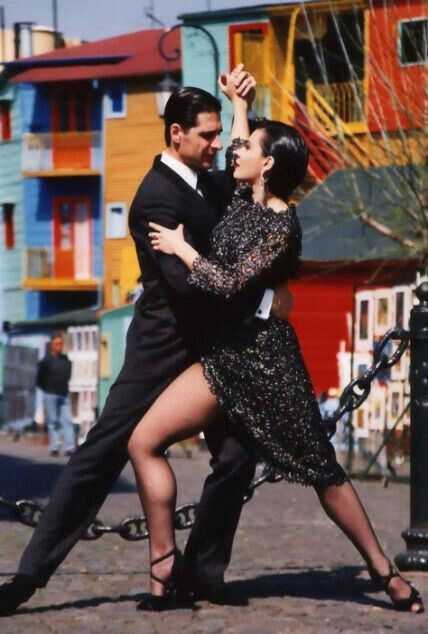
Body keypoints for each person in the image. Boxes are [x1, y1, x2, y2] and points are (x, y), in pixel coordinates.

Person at [126, 71, 424, 614]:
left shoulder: (282, 225)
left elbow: (223, 281)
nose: (232, 150)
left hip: (267, 364)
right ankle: (163, 573)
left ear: (267, 166)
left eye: (246, 148)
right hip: (222, 360)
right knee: (143, 440)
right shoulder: (244, 199)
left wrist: (182, 246)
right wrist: (242, 103)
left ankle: (386, 574)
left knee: (324, 473)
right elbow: (242, 144)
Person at [0, 68, 293, 616]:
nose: (215, 146)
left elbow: (235, 168)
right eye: (204, 136)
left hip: (213, 345)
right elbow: (187, 288)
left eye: (215, 136)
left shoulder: (204, 177)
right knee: (102, 451)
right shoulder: (156, 199)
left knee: (235, 456)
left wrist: (239, 108)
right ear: (175, 135)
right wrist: (258, 300)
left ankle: (201, 572)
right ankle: (27, 578)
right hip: (164, 343)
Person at [36, 332, 75, 457]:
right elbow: (39, 380)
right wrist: (47, 390)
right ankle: (54, 448)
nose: (59, 346)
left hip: (64, 395)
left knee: (68, 421)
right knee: (53, 422)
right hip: (50, 395)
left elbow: (68, 375)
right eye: (57, 343)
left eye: (61, 343)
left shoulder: (66, 360)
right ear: (52, 345)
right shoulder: (45, 361)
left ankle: (70, 448)